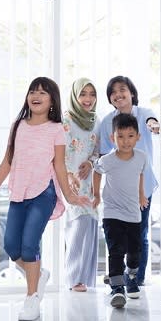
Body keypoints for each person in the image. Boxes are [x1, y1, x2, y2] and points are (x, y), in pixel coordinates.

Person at [0, 77, 90, 321]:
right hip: (19, 191)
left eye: (42, 92)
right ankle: (39, 274)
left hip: (44, 192)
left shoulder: (56, 129)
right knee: (11, 246)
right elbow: (8, 161)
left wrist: (70, 195)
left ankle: (32, 299)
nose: (36, 95)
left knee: (30, 245)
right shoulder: (18, 125)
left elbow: (60, 166)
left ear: (52, 100)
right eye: (32, 91)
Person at [98, 76, 159, 286]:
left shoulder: (143, 114)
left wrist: (154, 125)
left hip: (142, 187)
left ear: (131, 92)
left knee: (139, 233)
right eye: (113, 92)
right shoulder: (107, 122)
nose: (118, 94)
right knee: (116, 235)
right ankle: (118, 275)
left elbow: (152, 121)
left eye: (122, 89)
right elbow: (104, 156)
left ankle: (136, 278)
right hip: (117, 190)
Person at [93, 113, 149, 308]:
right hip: (112, 213)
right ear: (112, 138)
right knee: (116, 251)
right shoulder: (108, 160)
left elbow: (140, 175)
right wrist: (97, 195)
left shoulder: (142, 157)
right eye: (121, 136)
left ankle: (130, 275)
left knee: (135, 252)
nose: (126, 141)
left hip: (133, 213)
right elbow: (97, 172)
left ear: (138, 137)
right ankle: (117, 289)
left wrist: (142, 195)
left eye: (130, 136)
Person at [63, 78, 100, 292]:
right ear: (75, 97)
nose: (88, 99)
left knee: (89, 226)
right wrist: (68, 175)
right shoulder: (66, 120)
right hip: (71, 180)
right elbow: (59, 152)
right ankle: (73, 278)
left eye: (92, 94)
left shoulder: (97, 121)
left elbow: (98, 152)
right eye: (83, 94)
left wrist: (90, 162)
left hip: (89, 180)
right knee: (78, 225)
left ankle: (85, 278)